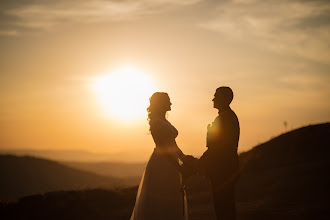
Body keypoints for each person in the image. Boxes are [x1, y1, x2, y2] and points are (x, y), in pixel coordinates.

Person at [130, 92, 188, 220]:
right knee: (161, 197)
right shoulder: (156, 122)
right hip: (162, 164)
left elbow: (173, 145)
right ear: (161, 103)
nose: (170, 103)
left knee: (172, 195)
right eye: (168, 100)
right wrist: (178, 167)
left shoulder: (164, 121)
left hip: (171, 162)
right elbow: (162, 147)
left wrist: (184, 158)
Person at [198, 86, 240, 220]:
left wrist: (199, 162)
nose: (213, 99)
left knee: (223, 207)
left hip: (222, 169)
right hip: (227, 167)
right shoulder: (228, 117)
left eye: (216, 96)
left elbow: (216, 147)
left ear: (225, 99)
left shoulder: (224, 119)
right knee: (225, 205)